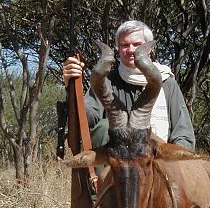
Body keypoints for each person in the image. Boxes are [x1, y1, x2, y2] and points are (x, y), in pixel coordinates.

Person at [63, 20, 195, 151]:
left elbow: (184, 136)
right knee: (104, 126)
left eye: (137, 44)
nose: (130, 50)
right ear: (118, 49)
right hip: (115, 164)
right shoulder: (106, 81)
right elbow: (87, 117)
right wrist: (73, 87)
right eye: (124, 45)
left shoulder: (167, 83)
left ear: (149, 49)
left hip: (155, 161)